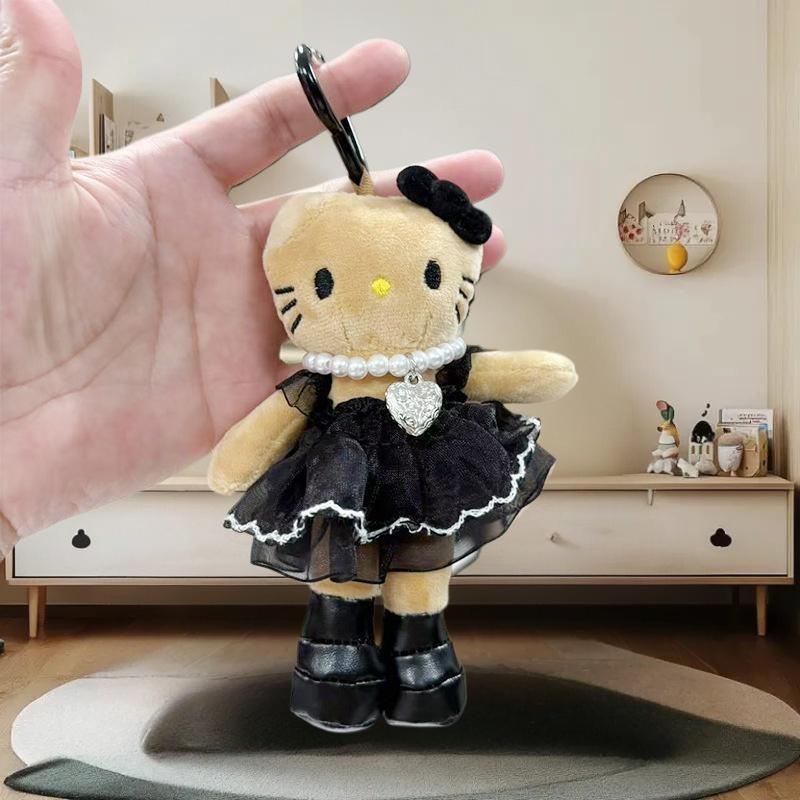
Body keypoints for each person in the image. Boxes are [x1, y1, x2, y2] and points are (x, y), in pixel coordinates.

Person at [0, 0, 506, 557]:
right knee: (341, 541)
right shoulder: (315, 383)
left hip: (434, 437)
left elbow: (493, 374)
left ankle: (414, 603)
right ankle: (344, 606)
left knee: (427, 540)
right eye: (323, 284)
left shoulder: (434, 361)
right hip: (341, 454)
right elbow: (271, 425)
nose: (382, 291)